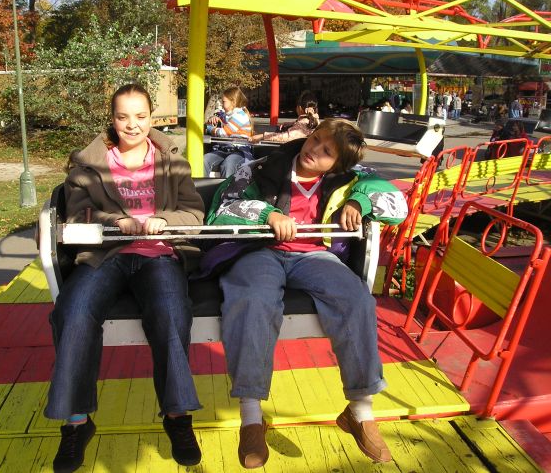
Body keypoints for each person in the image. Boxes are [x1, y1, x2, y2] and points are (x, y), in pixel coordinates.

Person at [202, 119, 408, 468]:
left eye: (327, 151)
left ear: (338, 164)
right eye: (315, 139)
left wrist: (360, 201)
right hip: (259, 250)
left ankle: (360, 411)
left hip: (313, 255)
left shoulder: (353, 179)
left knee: (356, 298)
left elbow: (397, 205)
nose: (313, 150)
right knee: (254, 299)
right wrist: (267, 215)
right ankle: (251, 417)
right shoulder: (262, 168)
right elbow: (221, 209)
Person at [45, 83, 205, 472]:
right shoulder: (87, 168)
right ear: (112, 119)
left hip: (157, 254)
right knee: (73, 311)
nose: (132, 125)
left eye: (140, 116)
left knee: (170, 311)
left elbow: (194, 215)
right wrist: (116, 221)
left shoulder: (173, 163)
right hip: (107, 254)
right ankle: (76, 423)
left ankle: (177, 415)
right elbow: (78, 215)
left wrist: (162, 220)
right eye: (123, 117)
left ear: (152, 118)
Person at [204, 86, 254, 177]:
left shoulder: (240, 115)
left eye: (224, 102)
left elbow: (223, 133)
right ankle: (200, 184)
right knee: (204, 160)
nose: (221, 104)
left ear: (233, 102)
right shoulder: (225, 115)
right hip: (223, 149)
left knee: (228, 164)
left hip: (239, 150)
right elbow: (219, 119)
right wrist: (213, 119)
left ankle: (227, 186)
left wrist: (209, 129)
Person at [250, 90, 320, 143]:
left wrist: (262, 136)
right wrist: (289, 124)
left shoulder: (304, 124)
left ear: (299, 108)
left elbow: (286, 137)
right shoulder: (313, 121)